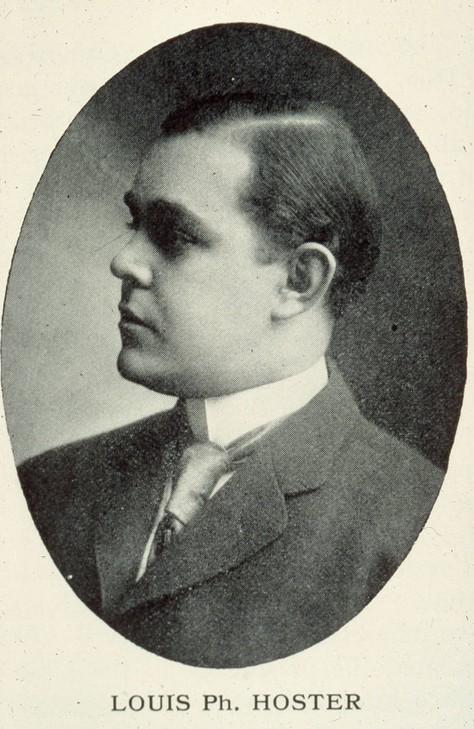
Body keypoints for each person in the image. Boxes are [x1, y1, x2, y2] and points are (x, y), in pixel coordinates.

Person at [18, 93, 443, 668]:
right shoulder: (44, 488)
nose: (124, 261)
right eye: (134, 222)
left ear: (299, 280)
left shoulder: (422, 531)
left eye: (174, 235)